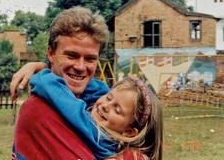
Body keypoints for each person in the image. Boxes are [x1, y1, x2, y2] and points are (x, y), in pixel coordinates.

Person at [12, 7, 112, 160]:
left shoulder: (100, 103)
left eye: (90, 59)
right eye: (71, 56)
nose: (80, 67)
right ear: (51, 54)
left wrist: (42, 67)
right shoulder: (37, 110)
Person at [28, 68, 163, 160]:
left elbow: (44, 83)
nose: (105, 106)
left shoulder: (96, 135)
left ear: (129, 132)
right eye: (108, 97)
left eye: (117, 110)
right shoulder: (115, 143)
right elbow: (90, 87)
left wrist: (45, 68)